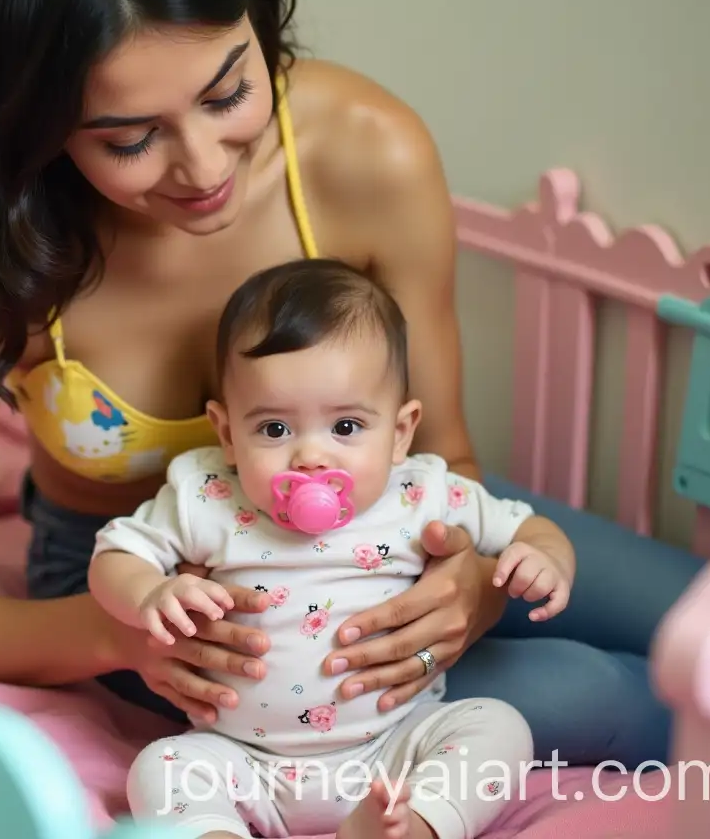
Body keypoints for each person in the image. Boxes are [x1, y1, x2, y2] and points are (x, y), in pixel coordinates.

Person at [0, 0, 703, 770]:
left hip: (392, 523)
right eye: (130, 138)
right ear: (35, 118)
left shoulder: (365, 153)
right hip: (169, 592)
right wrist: (119, 636)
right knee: (590, 690)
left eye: (228, 93)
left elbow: (447, 458)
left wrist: (472, 587)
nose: (203, 168)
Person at [87, 258, 565, 839]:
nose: (310, 457)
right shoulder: (207, 495)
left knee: (499, 728)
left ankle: (410, 828)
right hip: (242, 758)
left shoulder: (422, 492)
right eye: (274, 429)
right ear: (226, 432)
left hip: (393, 746)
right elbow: (115, 554)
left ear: (401, 430)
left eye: (345, 428)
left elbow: (531, 529)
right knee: (161, 769)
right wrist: (150, 593)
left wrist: (543, 559)